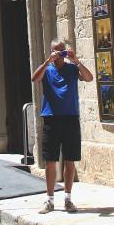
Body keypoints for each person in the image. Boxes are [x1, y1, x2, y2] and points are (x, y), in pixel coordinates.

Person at [31, 39, 93, 214]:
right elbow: (34, 78)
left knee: (70, 160)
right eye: (56, 51)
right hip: (51, 119)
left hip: (70, 118)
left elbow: (89, 78)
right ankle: (50, 200)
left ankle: (68, 199)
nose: (59, 55)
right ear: (51, 51)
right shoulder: (47, 69)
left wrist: (76, 60)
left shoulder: (72, 68)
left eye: (62, 51)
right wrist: (47, 62)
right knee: (50, 161)